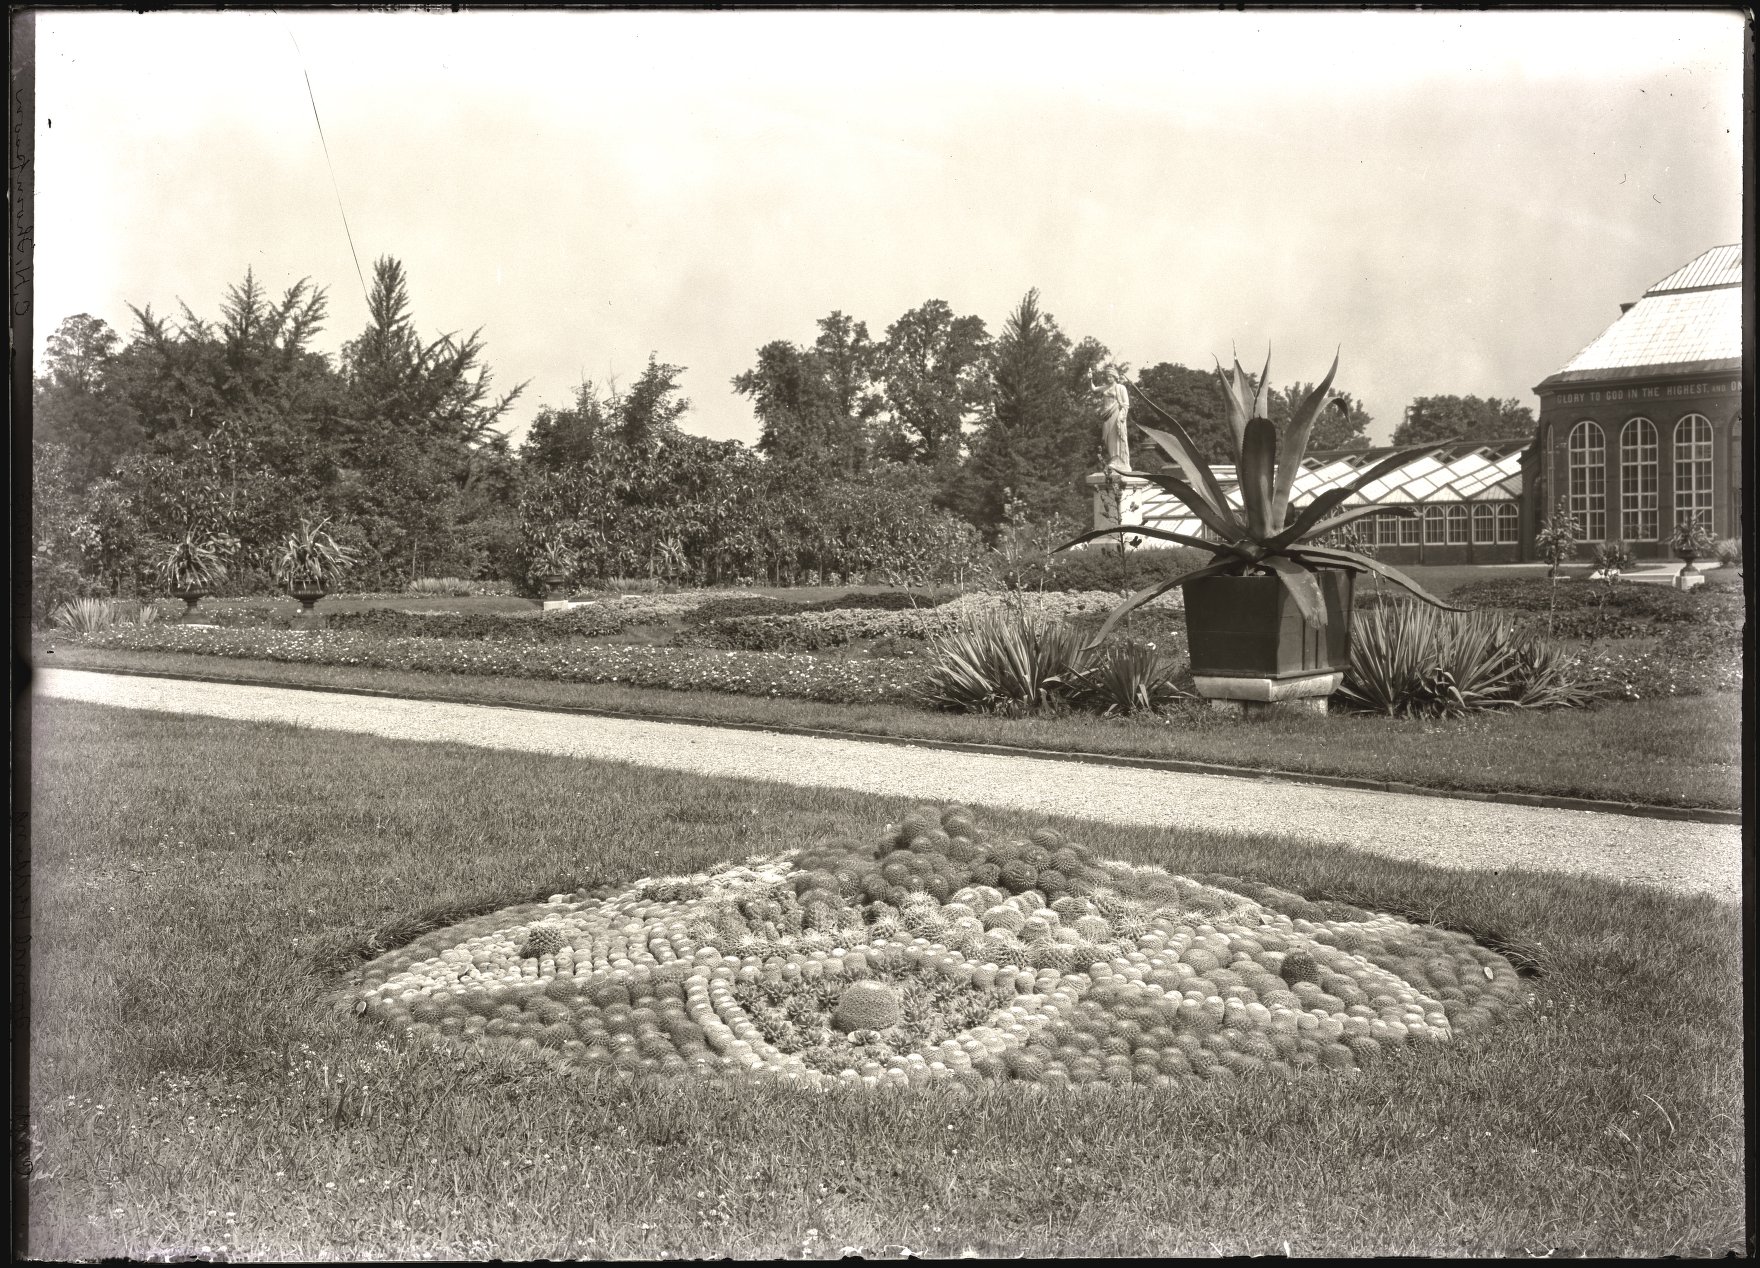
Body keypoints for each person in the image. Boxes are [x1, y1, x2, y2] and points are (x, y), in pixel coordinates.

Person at [1094, 367, 1132, 471]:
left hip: (1116, 414)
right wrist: (1090, 379)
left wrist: (1122, 416)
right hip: (1106, 416)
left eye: (1110, 376)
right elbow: (1093, 389)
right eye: (1107, 377)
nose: (1108, 378)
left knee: (1117, 436)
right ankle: (1113, 459)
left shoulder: (1121, 387)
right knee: (1108, 437)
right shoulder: (1105, 388)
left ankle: (1119, 460)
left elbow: (1126, 404)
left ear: (1115, 377)